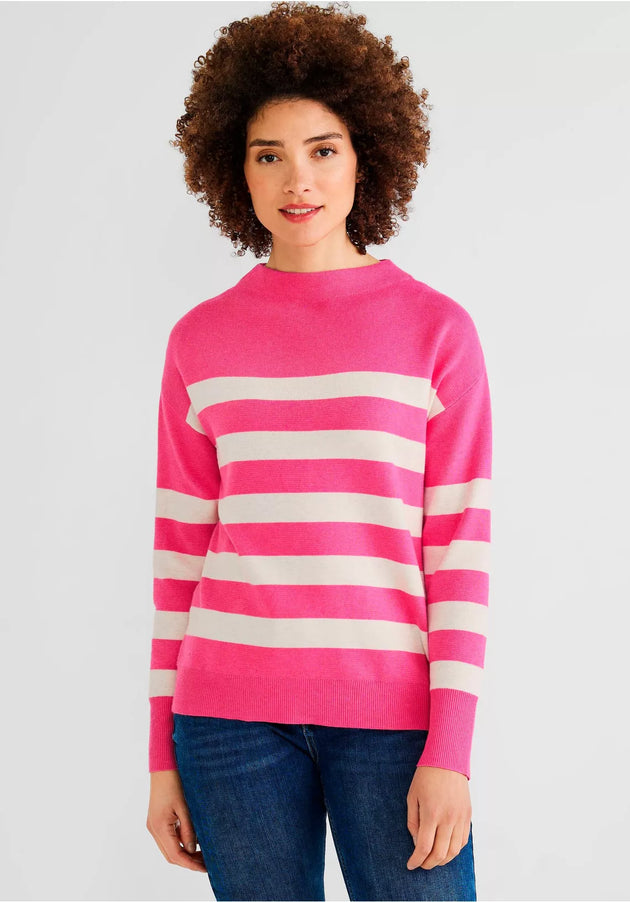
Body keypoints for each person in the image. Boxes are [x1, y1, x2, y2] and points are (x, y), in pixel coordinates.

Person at [145, 2, 492, 900]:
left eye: (322, 149)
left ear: (365, 155)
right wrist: (160, 758)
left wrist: (450, 749)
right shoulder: (199, 341)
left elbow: (459, 553)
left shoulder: (437, 333)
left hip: (394, 722)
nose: (297, 179)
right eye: (269, 155)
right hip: (226, 724)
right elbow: (179, 555)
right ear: (236, 170)